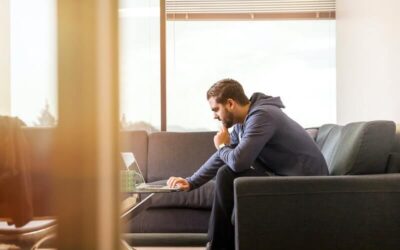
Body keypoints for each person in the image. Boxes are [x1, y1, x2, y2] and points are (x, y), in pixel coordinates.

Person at [167, 78, 329, 250]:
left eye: (216, 109)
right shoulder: (243, 124)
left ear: (230, 103)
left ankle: (218, 246)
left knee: (227, 173)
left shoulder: (263, 116)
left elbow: (237, 162)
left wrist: (222, 146)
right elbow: (221, 158)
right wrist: (191, 181)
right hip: (286, 179)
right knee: (225, 173)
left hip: (308, 185)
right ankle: (218, 245)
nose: (214, 115)